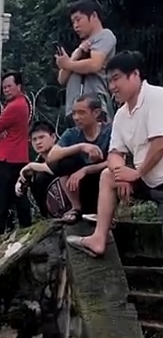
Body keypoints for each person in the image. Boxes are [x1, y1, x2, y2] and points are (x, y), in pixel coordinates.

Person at [68, 51, 163, 257]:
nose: (112, 86)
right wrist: (120, 173)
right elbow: (114, 153)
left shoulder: (157, 97)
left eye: (116, 79)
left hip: (155, 177)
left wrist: (136, 174)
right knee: (108, 175)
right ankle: (98, 239)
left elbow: (159, 143)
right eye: (109, 81)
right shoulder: (121, 114)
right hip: (148, 180)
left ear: (135, 75)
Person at [46, 95, 111, 223]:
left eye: (81, 113)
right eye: (74, 113)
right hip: (78, 185)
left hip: (103, 182)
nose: (76, 117)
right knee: (60, 163)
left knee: (112, 171)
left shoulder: (109, 131)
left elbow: (116, 160)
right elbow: (51, 157)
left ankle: (108, 212)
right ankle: (76, 207)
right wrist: (80, 147)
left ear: (96, 112)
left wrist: (86, 170)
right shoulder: (72, 134)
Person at [56, 0, 117, 120]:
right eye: (73, 22)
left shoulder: (105, 35)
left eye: (78, 20)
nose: (76, 26)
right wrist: (76, 54)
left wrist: (67, 63)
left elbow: (94, 64)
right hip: (74, 109)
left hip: (94, 107)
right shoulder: (83, 46)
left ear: (94, 16)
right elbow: (61, 79)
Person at [0, 71, 33, 236]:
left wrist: (0, 132)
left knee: (4, 194)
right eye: (4, 87)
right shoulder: (23, 104)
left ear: (19, 86)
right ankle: (24, 225)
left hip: (8, 157)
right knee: (19, 193)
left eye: (9, 86)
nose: (6, 90)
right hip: (20, 156)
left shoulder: (13, 106)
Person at [16, 121, 61, 217]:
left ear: (53, 137)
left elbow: (60, 169)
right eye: (34, 139)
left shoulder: (63, 151)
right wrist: (21, 182)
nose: (38, 142)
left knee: (41, 176)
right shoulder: (38, 160)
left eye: (41, 137)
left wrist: (33, 166)